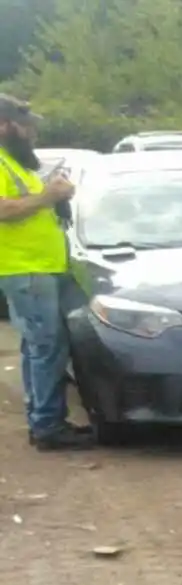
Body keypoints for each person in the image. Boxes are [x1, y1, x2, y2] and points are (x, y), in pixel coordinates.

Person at [0, 94, 92, 451]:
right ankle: (48, 426)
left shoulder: (14, 162)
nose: (33, 132)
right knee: (47, 346)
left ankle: (42, 417)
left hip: (40, 268)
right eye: (27, 125)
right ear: (6, 126)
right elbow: (5, 210)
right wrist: (49, 196)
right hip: (27, 270)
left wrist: (55, 192)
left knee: (37, 346)